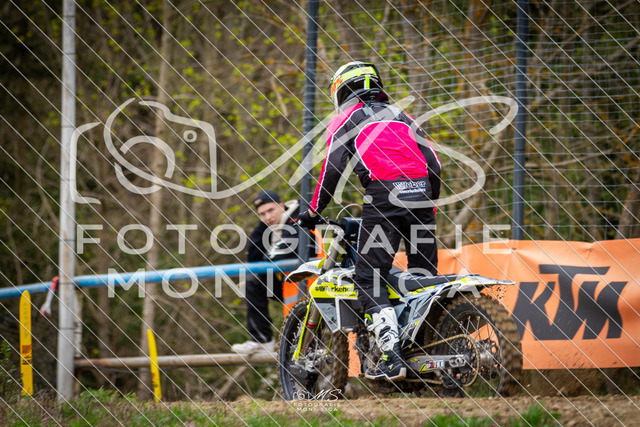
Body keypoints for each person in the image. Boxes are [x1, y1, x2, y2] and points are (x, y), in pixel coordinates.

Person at [297, 61, 441, 381]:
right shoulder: (402, 115)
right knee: (424, 278)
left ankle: (391, 357)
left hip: (384, 195)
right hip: (422, 194)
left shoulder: (345, 119)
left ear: (341, 90)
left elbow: (333, 168)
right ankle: (429, 352)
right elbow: (434, 163)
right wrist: (429, 203)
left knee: (368, 278)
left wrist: (314, 211)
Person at [231, 190, 300, 353]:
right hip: (290, 284)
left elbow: (285, 250)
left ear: (281, 206)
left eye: (271, 210)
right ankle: (262, 340)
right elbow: (252, 258)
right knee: (251, 280)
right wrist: (264, 226)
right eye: (262, 214)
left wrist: (268, 257)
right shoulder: (270, 226)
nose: (268, 217)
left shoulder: (298, 218)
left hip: (313, 282)